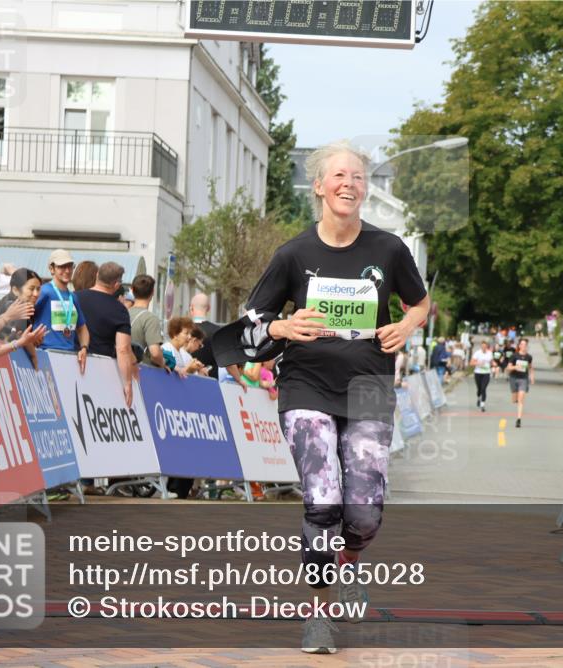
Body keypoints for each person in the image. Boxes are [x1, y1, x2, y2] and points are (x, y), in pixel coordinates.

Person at [211, 141, 429, 654]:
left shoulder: (389, 249)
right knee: (323, 499)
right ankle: (317, 614)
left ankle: (350, 562)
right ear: (319, 186)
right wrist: (285, 324)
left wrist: (406, 325)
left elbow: (419, 303)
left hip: (370, 387)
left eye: (357, 176)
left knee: (365, 514)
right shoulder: (293, 254)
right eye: (339, 176)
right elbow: (255, 321)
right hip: (305, 386)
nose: (349, 184)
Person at [74, 262, 134, 407]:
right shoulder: (119, 310)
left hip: (72, 361)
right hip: (101, 372)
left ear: (97, 276)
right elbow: (123, 349)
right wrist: (127, 383)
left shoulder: (74, 297)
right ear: (116, 284)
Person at [34, 249, 89, 374]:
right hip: (45, 354)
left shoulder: (73, 297)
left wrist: (84, 348)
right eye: (62, 267)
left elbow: (82, 328)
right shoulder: (44, 291)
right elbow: (26, 316)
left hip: (69, 356)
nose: (67, 271)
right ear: (51, 268)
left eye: (70, 266)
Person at [128, 274, 168, 370]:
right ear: (153, 292)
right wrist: (163, 364)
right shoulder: (150, 319)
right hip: (141, 371)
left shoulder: (122, 313)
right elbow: (155, 353)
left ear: (132, 290)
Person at [0, 268, 40, 341]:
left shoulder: (8, 303)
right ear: (15, 290)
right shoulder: (15, 309)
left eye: (38, 289)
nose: (36, 294)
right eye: (31, 289)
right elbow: (23, 341)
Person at [189, 293, 221, 378]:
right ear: (209, 308)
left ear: (191, 307)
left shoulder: (184, 330)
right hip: (211, 379)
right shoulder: (218, 331)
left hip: (186, 378)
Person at [506, 338, 534, 428]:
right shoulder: (514, 356)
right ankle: (516, 399)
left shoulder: (529, 357)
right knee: (514, 399)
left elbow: (530, 367)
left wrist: (532, 376)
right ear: (519, 346)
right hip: (513, 378)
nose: (524, 346)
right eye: (522, 344)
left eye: (525, 345)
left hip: (523, 379)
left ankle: (518, 419)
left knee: (521, 400)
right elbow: (508, 367)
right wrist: (515, 367)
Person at [471, 339, 495, 412]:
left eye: (485, 346)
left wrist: (494, 364)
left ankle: (482, 405)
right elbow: (471, 363)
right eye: (482, 347)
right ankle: (479, 397)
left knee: (483, 388)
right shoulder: (477, 353)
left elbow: (491, 361)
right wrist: (478, 363)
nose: (484, 348)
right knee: (479, 389)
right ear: (481, 347)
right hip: (478, 373)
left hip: (486, 373)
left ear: (487, 346)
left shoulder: (490, 353)